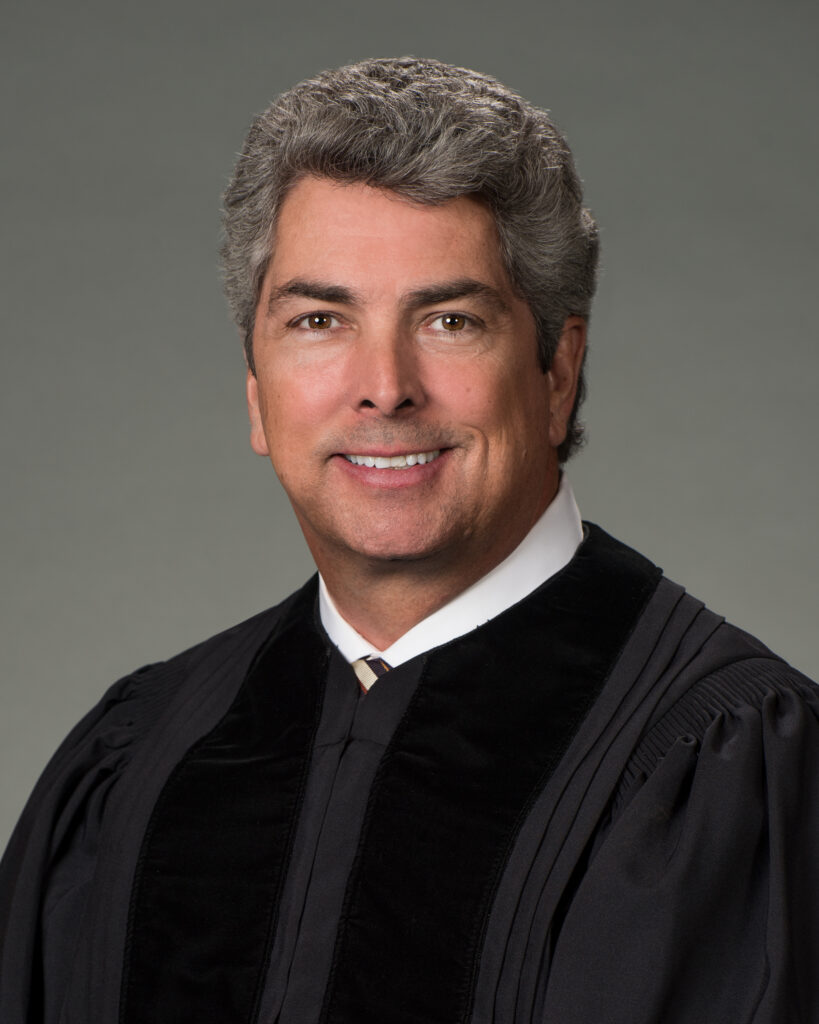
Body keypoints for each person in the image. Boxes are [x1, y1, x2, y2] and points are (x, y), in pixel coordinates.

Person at [1, 56, 817, 1024]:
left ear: (558, 371)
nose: (383, 385)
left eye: (449, 319)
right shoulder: (138, 756)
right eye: (318, 319)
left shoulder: (729, 769)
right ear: (258, 393)